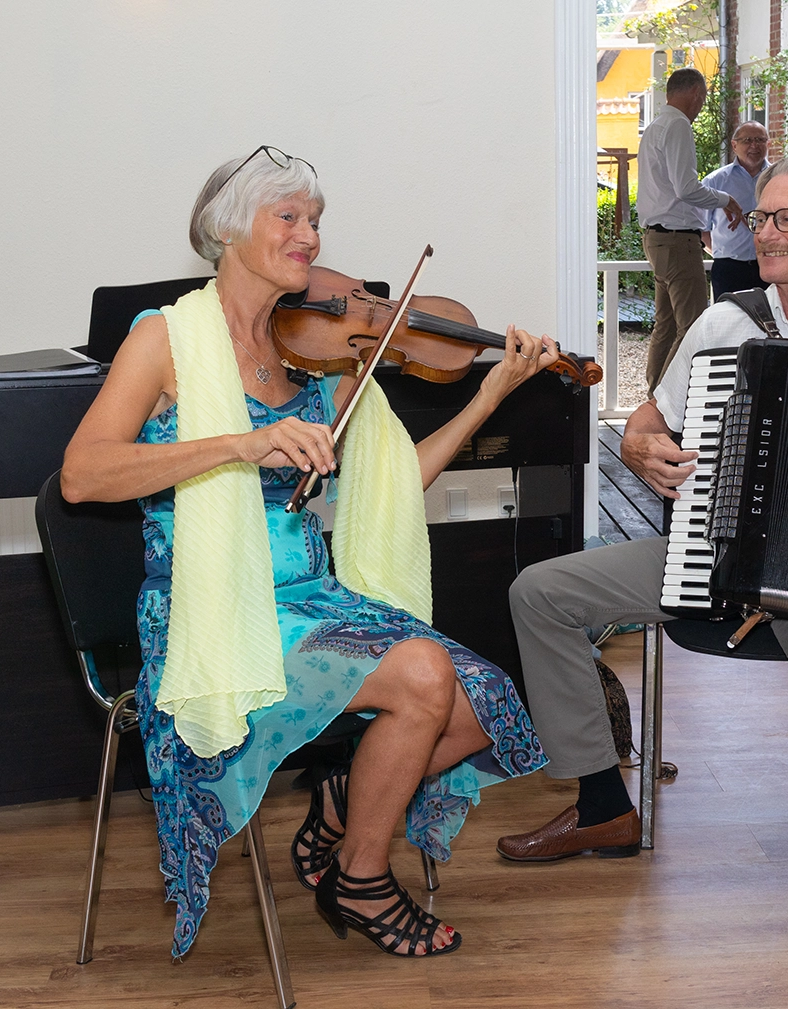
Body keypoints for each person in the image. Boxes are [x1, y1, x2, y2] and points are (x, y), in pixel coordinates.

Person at [61, 146, 556, 959]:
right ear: (227, 229)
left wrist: (489, 393)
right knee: (424, 674)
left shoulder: (315, 358)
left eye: (316, 219)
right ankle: (361, 875)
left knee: (482, 705)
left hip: (313, 598)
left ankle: (340, 806)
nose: (310, 236)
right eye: (288, 216)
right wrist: (241, 444)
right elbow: (83, 475)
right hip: (211, 606)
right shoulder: (165, 340)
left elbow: (396, 483)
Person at [498, 156, 788, 870]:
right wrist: (637, 443)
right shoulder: (726, 321)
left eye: (787, 218)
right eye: (760, 218)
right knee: (539, 592)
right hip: (705, 556)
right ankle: (602, 808)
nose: (766, 233)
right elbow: (652, 415)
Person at [637, 67, 742, 388]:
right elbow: (686, 188)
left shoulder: (655, 126)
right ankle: (665, 402)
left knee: (666, 326)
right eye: (703, 98)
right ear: (696, 93)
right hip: (677, 241)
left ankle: (654, 395)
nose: (701, 106)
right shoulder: (678, 124)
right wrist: (726, 199)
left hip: (657, 238)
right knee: (692, 326)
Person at [700, 121, 771, 301]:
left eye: (760, 140)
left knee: (770, 316)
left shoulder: (778, 178)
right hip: (729, 270)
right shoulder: (715, 182)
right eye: (747, 140)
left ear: (768, 144)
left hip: (770, 264)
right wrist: (722, 253)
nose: (754, 145)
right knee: (728, 315)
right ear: (734, 145)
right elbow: (702, 229)